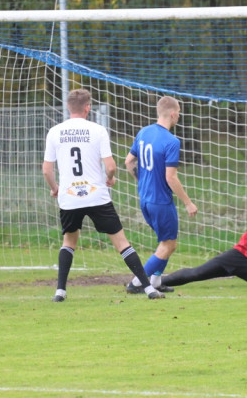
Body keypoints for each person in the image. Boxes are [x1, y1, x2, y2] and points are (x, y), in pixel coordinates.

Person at [42, 88, 164, 302]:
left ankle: (60, 291)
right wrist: (110, 178)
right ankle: (148, 289)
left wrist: (55, 187)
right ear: (88, 107)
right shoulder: (97, 130)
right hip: (96, 196)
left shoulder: (55, 131)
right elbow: (110, 166)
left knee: (69, 241)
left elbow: (46, 169)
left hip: (70, 197)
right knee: (121, 242)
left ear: (69, 107)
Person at [124, 95, 197, 294]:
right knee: (169, 244)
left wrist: (141, 180)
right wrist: (188, 203)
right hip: (161, 201)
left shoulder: (144, 132)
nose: (179, 116)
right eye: (179, 113)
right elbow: (171, 178)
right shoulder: (172, 141)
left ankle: (155, 281)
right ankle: (137, 283)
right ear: (173, 114)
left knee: (166, 243)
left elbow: (129, 162)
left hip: (145, 199)